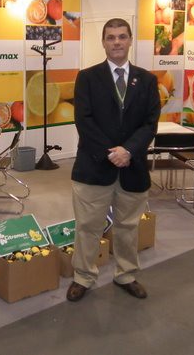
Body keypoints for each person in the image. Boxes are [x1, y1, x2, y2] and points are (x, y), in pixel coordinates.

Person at [67, 18, 160, 302]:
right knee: (88, 227)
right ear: (103, 43)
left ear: (130, 40)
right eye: (111, 37)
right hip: (94, 166)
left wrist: (128, 151)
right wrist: (112, 153)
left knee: (128, 227)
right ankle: (83, 276)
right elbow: (84, 121)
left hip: (132, 168)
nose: (116, 42)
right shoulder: (87, 77)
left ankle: (126, 274)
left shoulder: (147, 80)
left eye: (121, 36)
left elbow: (150, 123)